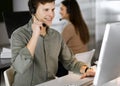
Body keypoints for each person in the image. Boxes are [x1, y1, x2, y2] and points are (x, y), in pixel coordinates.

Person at [11, 0, 95, 86]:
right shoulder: (18, 35)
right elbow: (20, 67)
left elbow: (70, 62)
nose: (51, 15)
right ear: (33, 11)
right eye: (46, 10)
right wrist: (35, 36)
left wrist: (87, 70)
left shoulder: (56, 36)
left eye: (53, 10)